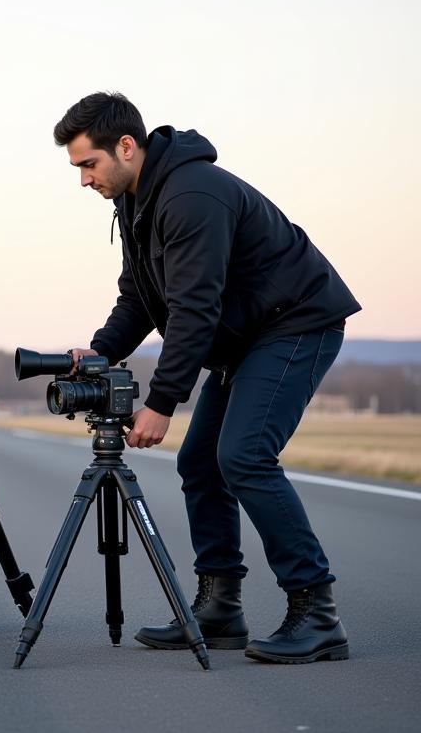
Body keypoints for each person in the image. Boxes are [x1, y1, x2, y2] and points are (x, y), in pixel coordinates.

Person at [56, 92, 359, 664]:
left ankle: (318, 613)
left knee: (244, 456)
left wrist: (161, 402)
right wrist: (99, 352)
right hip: (246, 335)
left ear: (126, 147)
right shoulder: (137, 200)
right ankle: (220, 607)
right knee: (200, 461)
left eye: (87, 164)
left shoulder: (192, 195)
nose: (83, 180)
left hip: (295, 321)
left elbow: (195, 310)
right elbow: (142, 299)